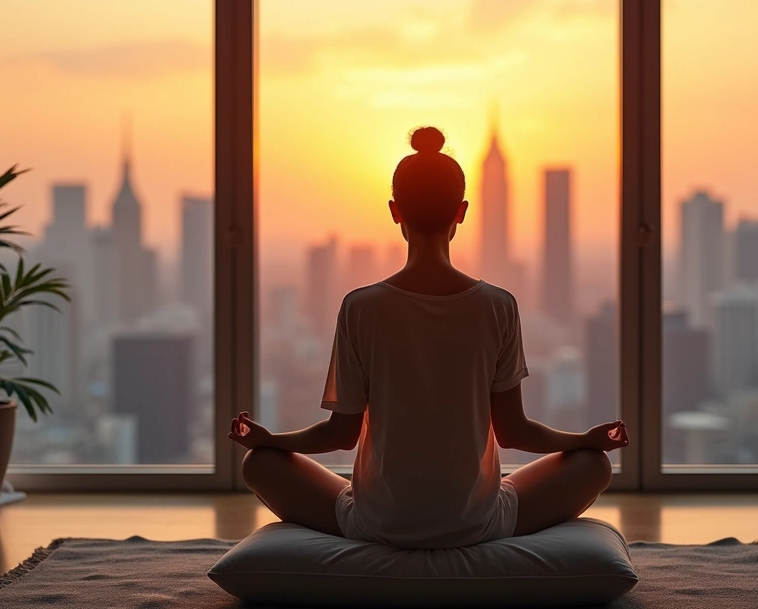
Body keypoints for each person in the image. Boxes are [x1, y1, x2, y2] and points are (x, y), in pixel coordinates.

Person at [230, 126, 628, 549]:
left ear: (394, 210)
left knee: (260, 464)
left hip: (378, 522)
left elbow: (340, 435)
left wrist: (269, 440)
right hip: (477, 522)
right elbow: (513, 432)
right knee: (594, 466)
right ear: (461, 211)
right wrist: (585, 441)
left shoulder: (361, 307)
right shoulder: (498, 305)